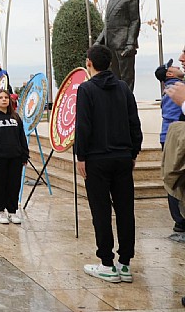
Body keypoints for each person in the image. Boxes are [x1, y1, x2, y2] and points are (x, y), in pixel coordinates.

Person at [75, 44, 142, 284]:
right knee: (126, 210)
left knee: (101, 212)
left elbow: (83, 125)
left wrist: (80, 156)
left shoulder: (86, 89)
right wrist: (133, 151)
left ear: (89, 63)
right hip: (123, 157)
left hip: (97, 159)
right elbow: (134, 122)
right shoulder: (123, 88)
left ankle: (107, 263)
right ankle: (125, 263)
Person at [0, 89, 29, 225]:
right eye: (1, 97)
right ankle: (0, 211)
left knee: (14, 185)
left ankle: (12, 211)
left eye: (6, 98)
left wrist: (24, 155)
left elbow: (21, 138)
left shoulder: (15, 118)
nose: (4, 100)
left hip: (15, 157)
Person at [95, 0, 141, 91]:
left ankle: (127, 103)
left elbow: (135, 21)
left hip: (123, 44)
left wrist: (130, 43)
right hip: (110, 44)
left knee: (126, 78)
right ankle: (116, 102)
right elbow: (108, 25)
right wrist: (98, 42)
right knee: (113, 77)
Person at [156, 59, 185, 233]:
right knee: (174, 179)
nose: (178, 65)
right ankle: (180, 220)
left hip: (169, 136)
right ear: (169, 74)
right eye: (173, 66)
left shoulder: (172, 87)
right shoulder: (175, 88)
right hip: (174, 138)